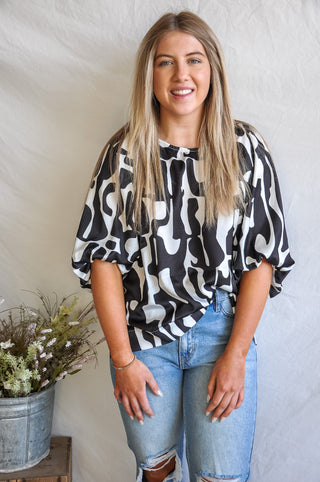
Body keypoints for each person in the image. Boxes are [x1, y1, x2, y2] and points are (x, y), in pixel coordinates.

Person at [72, 11, 294, 482]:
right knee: (157, 469)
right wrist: (123, 360)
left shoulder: (244, 150)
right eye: (165, 62)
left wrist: (236, 354)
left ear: (212, 69)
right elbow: (103, 260)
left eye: (194, 60)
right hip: (143, 340)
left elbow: (263, 259)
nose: (181, 75)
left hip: (221, 334)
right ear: (148, 75)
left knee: (220, 475)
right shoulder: (126, 153)